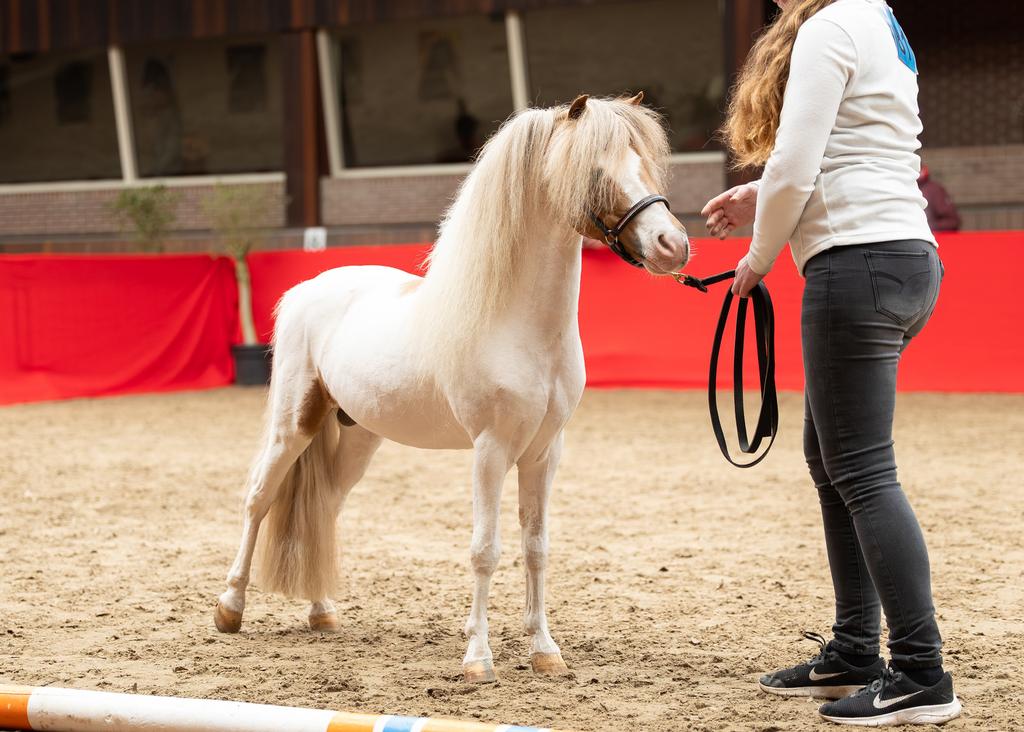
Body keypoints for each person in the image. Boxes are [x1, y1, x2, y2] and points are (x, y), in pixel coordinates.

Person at [701, 0, 960, 726]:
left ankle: (919, 672)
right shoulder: (880, 22)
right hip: (904, 256)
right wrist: (764, 195)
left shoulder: (829, 26)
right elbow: (855, 149)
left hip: (858, 263)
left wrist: (756, 256)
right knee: (834, 458)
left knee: (862, 469)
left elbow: (795, 161)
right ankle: (854, 649)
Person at [918, 165, 962, 231]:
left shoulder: (933, 190)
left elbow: (952, 221)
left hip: (930, 238)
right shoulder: (902, 189)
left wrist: (928, 227)